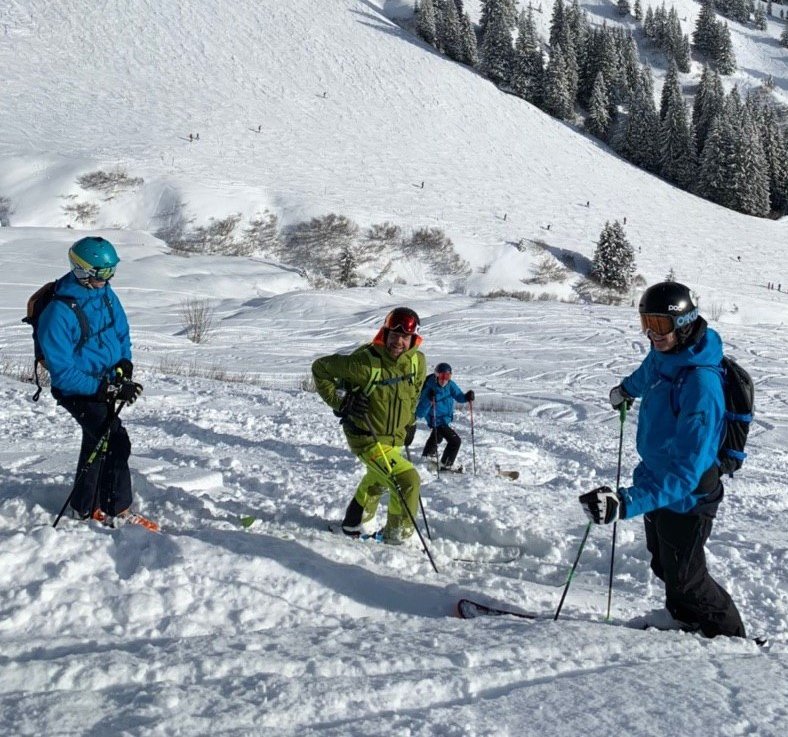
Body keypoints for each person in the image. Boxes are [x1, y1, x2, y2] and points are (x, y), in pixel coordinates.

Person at [579, 281, 746, 639]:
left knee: (688, 578)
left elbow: (686, 473)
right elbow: (649, 372)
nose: (653, 335)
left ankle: (732, 638)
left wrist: (625, 502)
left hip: (688, 496)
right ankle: (683, 617)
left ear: (684, 324)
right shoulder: (667, 353)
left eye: (661, 325)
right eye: (647, 324)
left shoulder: (702, 387)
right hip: (656, 479)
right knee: (662, 562)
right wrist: (626, 390)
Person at [37, 237, 151, 528]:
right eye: (102, 273)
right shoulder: (58, 313)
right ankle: (118, 509)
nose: (107, 279)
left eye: (111, 272)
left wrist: (124, 365)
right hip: (77, 390)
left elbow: (121, 332)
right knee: (115, 441)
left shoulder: (105, 294)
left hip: (105, 381)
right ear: (82, 270)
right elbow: (63, 373)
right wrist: (105, 388)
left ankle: (85, 505)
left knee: (97, 441)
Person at [312, 307, 427, 543]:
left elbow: (414, 395)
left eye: (404, 337)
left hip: (394, 438)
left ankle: (355, 523)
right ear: (384, 334)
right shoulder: (365, 364)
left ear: (413, 339)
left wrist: (410, 424)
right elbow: (320, 368)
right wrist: (342, 402)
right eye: (393, 335)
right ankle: (396, 538)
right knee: (407, 481)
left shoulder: (417, 363)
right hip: (367, 437)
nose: (398, 342)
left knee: (377, 481)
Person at [416, 363, 474, 471]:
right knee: (455, 441)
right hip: (436, 419)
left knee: (437, 436)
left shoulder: (450, 385)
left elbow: (459, 396)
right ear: (436, 375)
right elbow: (420, 413)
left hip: (445, 418)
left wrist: (467, 396)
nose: (444, 380)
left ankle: (428, 455)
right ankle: (446, 464)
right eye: (441, 376)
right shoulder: (430, 388)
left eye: (447, 377)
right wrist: (429, 399)